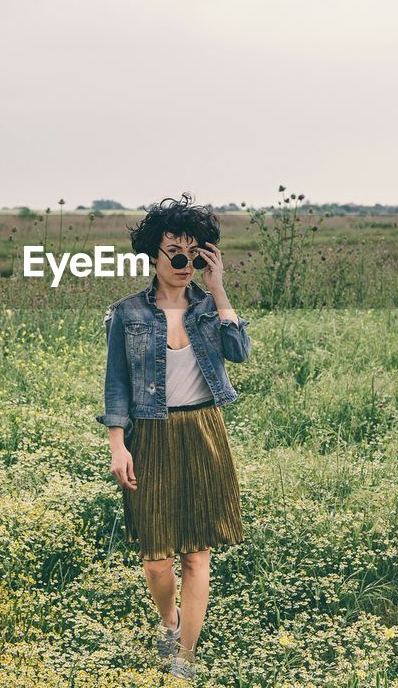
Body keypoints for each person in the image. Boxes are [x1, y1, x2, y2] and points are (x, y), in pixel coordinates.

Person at [97, 193, 252, 681]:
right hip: (152, 435)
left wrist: (219, 289)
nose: (185, 264)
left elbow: (239, 351)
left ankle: (184, 659)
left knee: (195, 553)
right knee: (156, 561)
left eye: (194, 253)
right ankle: (170, 621)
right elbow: (117, 384)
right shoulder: (127, 314)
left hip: (204, 431)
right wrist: (118, 445)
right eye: (176, 254)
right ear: (153, 256)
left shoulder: (208, 309)